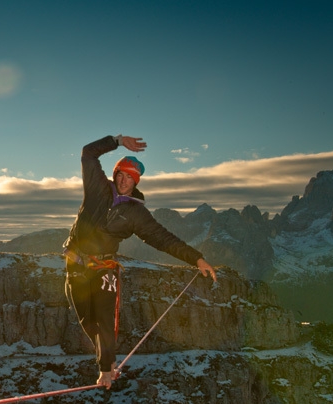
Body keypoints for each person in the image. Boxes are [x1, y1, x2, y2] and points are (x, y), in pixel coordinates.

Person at [63, 134, 217, 389]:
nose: (124, 181)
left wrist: (196, 259)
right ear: (115, 175)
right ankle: (107, 361)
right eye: (121, 175)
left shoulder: (136, 213)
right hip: (75, 265)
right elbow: (88, 153)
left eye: (130, 177)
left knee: (104, 318)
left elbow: (163, 238)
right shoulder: (96, 186)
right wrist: (117, 140)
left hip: (104, 268)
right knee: (86, 320)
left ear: (136, 181)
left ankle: (106, 368)